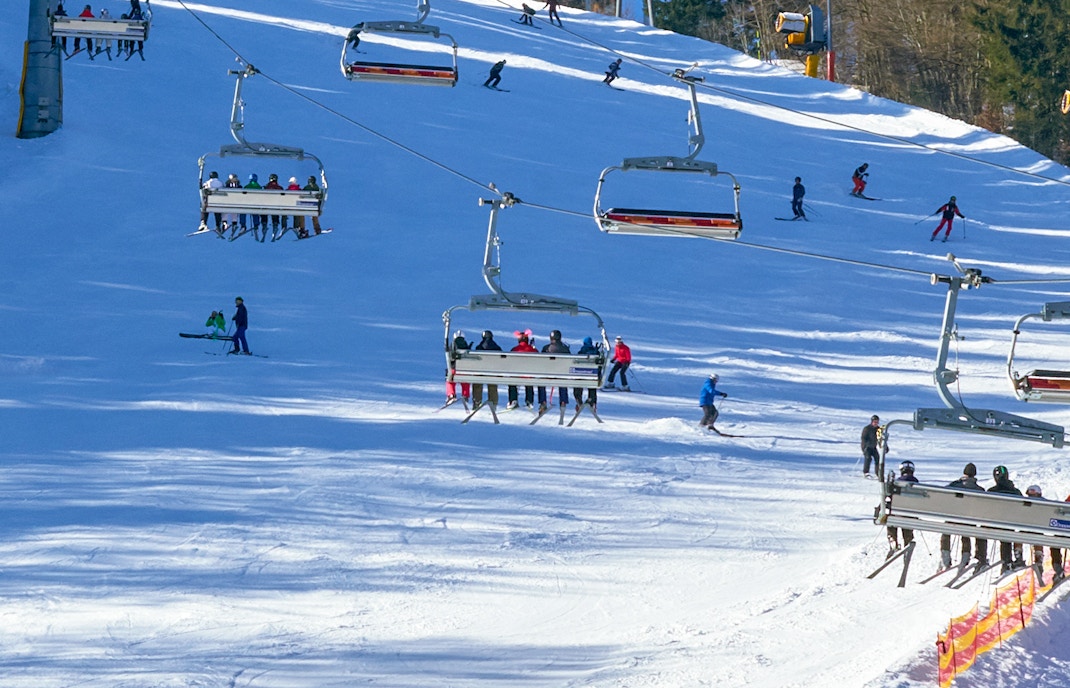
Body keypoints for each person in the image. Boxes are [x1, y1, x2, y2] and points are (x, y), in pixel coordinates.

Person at [939, 463, 988, 571]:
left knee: (946, 531)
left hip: (953, 519)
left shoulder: (954, 485)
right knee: (967, 533)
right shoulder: (980, 490)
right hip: (969, 521)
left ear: (964, 473)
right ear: (974, 475)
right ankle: (965, 557)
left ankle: (945, 558)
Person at [988, 465, 1026, 574]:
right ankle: (1014, 559)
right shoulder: (1016, 492)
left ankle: (1006, 563)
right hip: (1013, 522)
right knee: (1008, 531)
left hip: (996, 522)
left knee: (1004, 533)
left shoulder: (991, 491)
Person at [1024, 484, 1065, 581]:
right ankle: (1055, 566)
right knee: (1054, 541)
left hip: (1037, 529)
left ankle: (1052, 565)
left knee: (1051, 540)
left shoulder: (1026, 504)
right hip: (1041, 529)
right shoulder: (1043, 504)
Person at [886, 460, 918, 557]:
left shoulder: (896, 483)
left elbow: (888, 497)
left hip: (896, 514)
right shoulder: (917, 484)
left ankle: (893, 539)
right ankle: (908, 542)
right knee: (907, 520)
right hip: (910, 515)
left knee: (891, 518)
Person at [539, 329, 571, 411]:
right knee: (562, 380)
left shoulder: (546, 348)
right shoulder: (565, 348)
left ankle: (543, 402)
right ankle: (563, 401)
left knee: (541, 382)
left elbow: (541, 361)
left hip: (548, 374)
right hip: (561, 374)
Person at [472, 330, 502, 409]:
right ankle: (493, 402)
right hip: (492, 373)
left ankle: (477, 401)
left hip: (481, 372)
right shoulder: (497, 347)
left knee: (477, 381)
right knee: (492, 382)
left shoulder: (479, 347)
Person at [507, 330, 537, 409]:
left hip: (517, 375)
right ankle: (529, 401)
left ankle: (513, 400)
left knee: (512, 381)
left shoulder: (514, 349)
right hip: (529, 375)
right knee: (529, 379)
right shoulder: (533, 350)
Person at [573, 336, 600, 412]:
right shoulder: (596, 352)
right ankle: (592, 401)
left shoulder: (581, 351)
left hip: (582, 375)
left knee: (578, 384)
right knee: (592, 384)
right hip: (593, 376)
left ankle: (579, 400)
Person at [445, 330, 471, 405]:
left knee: (450, 380)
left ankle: (451, 395)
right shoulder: (466, 345)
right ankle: (465, 395)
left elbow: (450, 357)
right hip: (465, 371)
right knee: (465, 380)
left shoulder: (453, 345)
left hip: (454, 369)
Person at [245, 173, 268, 241]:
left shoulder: (247, 186)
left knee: (254, 213)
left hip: (249, 204)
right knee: (257, 213)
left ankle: (255, 226)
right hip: (257, 204)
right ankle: (258, 225)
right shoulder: (259, 187)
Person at [263, 173, 286, 239]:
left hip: (267, 205)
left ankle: (264, 223)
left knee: (264, 212)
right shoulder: (279, 187)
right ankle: (275, 223)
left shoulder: (267, 187)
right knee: (275, 213)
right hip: (276, 205)